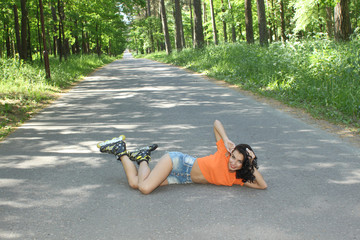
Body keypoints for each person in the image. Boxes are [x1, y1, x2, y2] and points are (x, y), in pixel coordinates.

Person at [98, 120, 267, 194]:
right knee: (145, 188)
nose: (234, 163)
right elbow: (216, 123)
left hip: (182, 179)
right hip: (177, 163)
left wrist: (251, 162)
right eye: (234, 157)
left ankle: (129, 153)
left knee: (136, 183)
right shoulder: (225, 153)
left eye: (239, 162)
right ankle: (137, 155)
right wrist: (226, 138)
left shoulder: (239, 178)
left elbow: (262, 185)